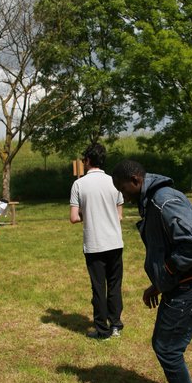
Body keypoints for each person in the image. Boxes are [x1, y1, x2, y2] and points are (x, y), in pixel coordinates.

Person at [112, 160, 192, 383]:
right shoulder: (153, 200)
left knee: (168, 349)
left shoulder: (163, 200)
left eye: (123, 189)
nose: (123, 195)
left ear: (135, 179)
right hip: (183, 284)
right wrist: (158, 284)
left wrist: (168, 272)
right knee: (165, 346)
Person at [70, 143, 124, 340]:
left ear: (88, 160)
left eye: (84, 160)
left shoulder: (79, 184)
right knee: (115, 285)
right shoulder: (114, 182)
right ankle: (116, 324)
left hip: (94, 244)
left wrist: (89, 214)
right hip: (115, 242)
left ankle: (102, 329)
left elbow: (74, 217)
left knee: (98, 287)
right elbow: (119, 215)